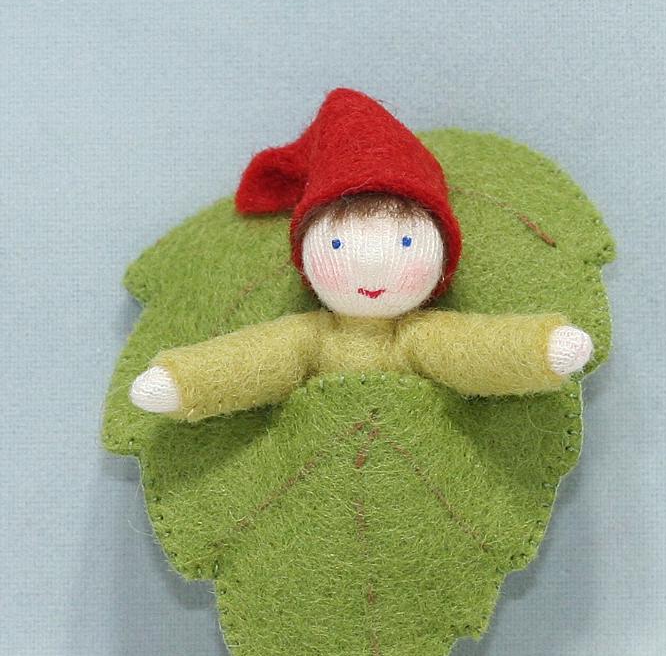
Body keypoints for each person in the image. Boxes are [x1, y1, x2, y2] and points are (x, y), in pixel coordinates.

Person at [130, 89, 592, 421]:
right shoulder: (309, 337)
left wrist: (538, 351)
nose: (371, 266)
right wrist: (185, 382)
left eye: (406, 243)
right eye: (337, 245)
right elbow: (254, 361)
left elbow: (471, 350)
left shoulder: (419, 337)